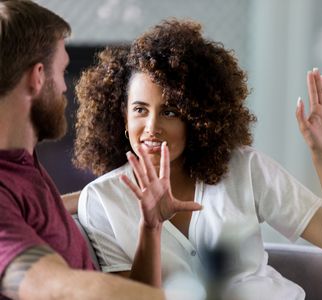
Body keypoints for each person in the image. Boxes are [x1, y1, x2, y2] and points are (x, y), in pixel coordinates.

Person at [74, 19, 322, 299]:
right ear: (123, 116)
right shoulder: (101, 201)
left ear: (196, 117)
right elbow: (137, 298)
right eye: (139, 109)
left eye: (170, 111)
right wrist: (150, 227)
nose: (151, 126)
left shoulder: (244, 168)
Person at [0, 1, 185, 299]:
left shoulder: (24, 164)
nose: (64, 88)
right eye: (62, 72)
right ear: (37, 77)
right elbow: (49, 287)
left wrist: (146, 222)